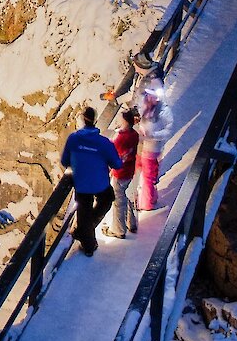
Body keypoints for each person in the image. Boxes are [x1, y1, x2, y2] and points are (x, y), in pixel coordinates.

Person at [61, 105, 123, 256]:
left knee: (83, 209)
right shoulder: (103, 142)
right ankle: (86, 231)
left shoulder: (74, 139)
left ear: (83, 119)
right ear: (95, 121)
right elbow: (116, 164)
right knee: (107, 199)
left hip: (80, 183)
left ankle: (87, 241)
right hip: (100, 182)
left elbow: (64, 161)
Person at [135, 78, 173, 211]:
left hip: (152, 149)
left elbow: (168, 129)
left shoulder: (163, 111)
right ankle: (148, 198)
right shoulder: (145, 106)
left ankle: (147, 203)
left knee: (148, 177)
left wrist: (153, 136)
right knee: (144, 174)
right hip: (142, 147)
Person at [103, 107, 139, 238]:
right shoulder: (134, 135)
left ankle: (118, 230)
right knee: (122, 194)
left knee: (118, 200)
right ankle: (131, 222)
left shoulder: (121, 139)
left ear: (125, 122)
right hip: (128, 171)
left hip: (120, 172)